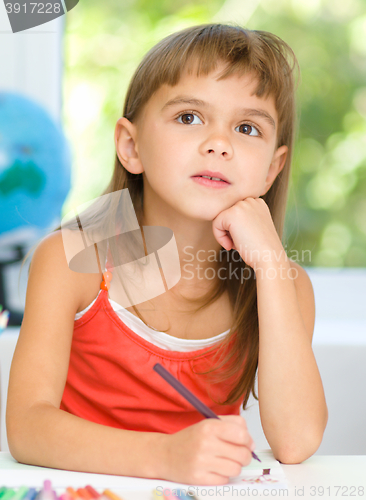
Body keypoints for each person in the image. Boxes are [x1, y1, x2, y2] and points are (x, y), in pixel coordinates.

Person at [6, 23, 328, 485]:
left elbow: (295, 442)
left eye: (246, 127)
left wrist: (272, 266)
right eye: (189, 117)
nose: (220, 143)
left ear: (271, 169)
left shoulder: (284, 284)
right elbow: (26, 428)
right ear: (131, 146)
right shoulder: (70, 260)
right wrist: (163, 456)